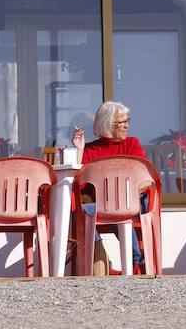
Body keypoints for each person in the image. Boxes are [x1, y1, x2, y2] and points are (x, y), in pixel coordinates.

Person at [72, 101, 148, 274]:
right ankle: (104, 263)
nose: (126, 125)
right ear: (107, 124)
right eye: (121, 122)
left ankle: (134, 260)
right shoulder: (90, 150)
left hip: (128, 202)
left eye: (127, 120)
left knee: (116, 207)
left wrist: (122, 194)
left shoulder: (131, 144)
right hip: (101, 206)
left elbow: (145, 179)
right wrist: (79, 151)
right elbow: (80, 185)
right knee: (82, 210)